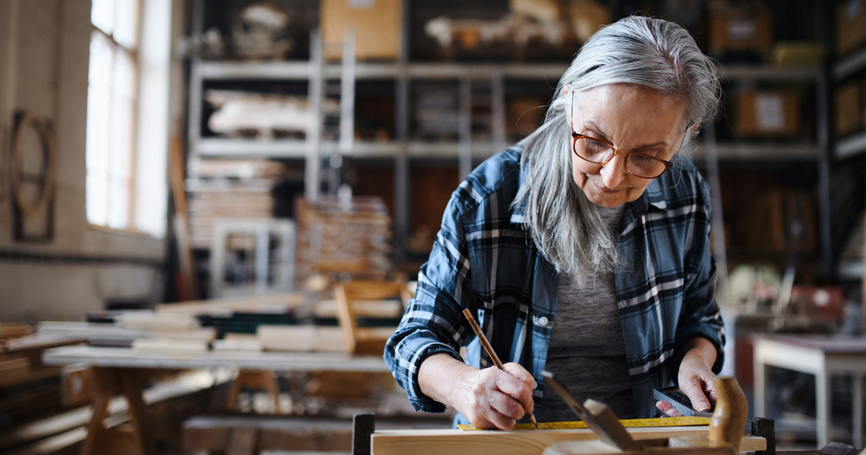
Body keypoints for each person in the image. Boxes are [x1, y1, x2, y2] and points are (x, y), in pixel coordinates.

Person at [384, 15, 725, 430]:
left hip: (641, 440)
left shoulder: (685, 195)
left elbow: (700, 317)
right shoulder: (489, 200)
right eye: (594, 142)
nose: (612, 176)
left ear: (686, 135)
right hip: (515, 445)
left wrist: (695, 362)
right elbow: (411, 340)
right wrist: (466, 386)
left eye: (646, 156)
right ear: (568, 101)